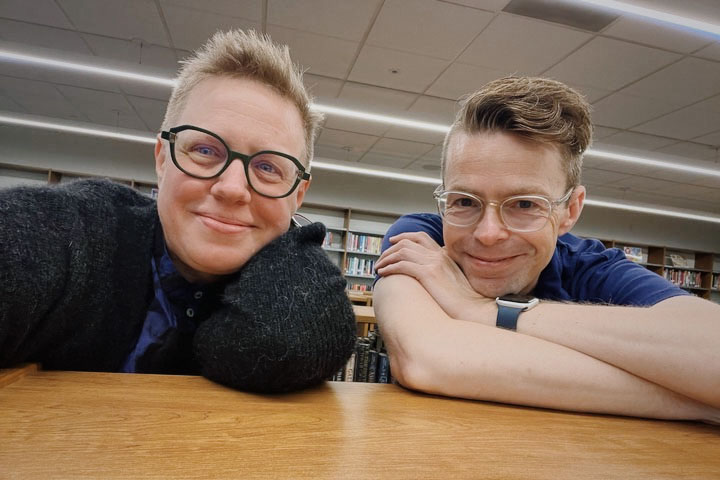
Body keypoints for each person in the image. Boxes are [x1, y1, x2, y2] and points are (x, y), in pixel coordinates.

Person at [0, 30, 356, 393]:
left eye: (268, 167)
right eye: (204, 150)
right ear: (162, 159)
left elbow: (303, 336)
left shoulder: (292, 284)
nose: (232, 188)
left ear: (298, 194)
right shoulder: (75, 233)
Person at [373, 76, 720, 422]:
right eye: (464, 201)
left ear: (570, 210)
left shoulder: (590, 266)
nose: (488, 233)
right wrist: (693, 398)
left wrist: (480, 310)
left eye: (524, 204)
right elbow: (428, 360)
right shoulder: (421, 240)